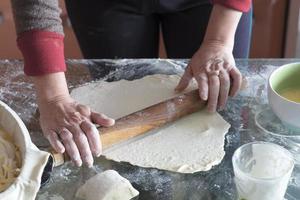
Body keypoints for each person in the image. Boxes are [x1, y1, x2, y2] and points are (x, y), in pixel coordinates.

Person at [11, 0, 252, 167]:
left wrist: (219, 41)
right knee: (114, 129)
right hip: (105, 6)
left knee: (221, 104)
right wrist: (54, 98)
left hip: (211, 5)